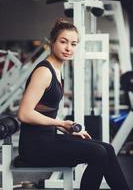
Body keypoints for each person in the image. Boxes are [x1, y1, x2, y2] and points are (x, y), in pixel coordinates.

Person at [17, 18, 130, 190]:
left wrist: (67, 128)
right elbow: (24, 114)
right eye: (63, 42)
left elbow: (45, 112)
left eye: (74, 44)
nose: (69, 48)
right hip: (35, 147)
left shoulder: (57, 70)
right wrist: (61, 123)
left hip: (47, 139)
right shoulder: (44, 72)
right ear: (52, 42)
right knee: (98, 153)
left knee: (107, 148)